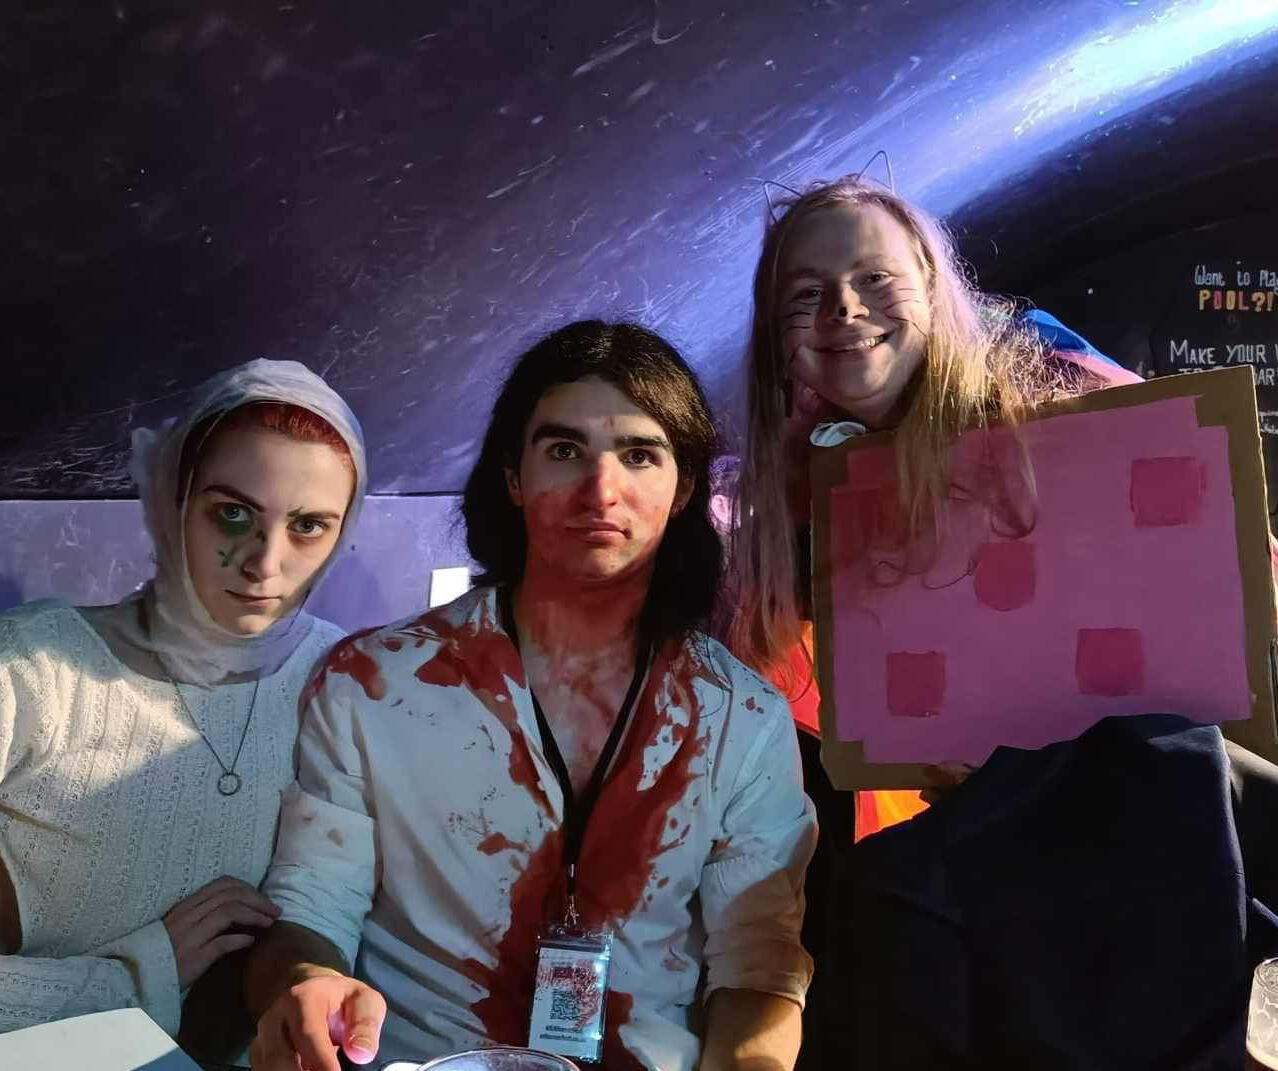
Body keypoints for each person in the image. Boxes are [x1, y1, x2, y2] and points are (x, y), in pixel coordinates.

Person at [728, 174, 1276, 1068]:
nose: (844, 309)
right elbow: (794, 702)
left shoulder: (1052, 397)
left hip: (1134, 846)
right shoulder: (800, 495)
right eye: (806, 294)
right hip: (951, 869)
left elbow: (1226, 567)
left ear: (932, 287)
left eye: (875, 278)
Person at [244, 321, 816, 1071]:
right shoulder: (371, 684)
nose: (600, 490)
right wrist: (306, 986)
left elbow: (758, 963)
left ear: (683, 490)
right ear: (513, 476)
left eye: (639, 454)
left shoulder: (741, 715)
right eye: (564, 450)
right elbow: (309, 911)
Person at [0, 358, 366, 1036]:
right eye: (233, 514)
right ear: (174, 500)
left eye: (309, 525)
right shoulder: (31, 666)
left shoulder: (338, 676)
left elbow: (323, 910)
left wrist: (309, 990)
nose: (265, 563)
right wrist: (132, 975)